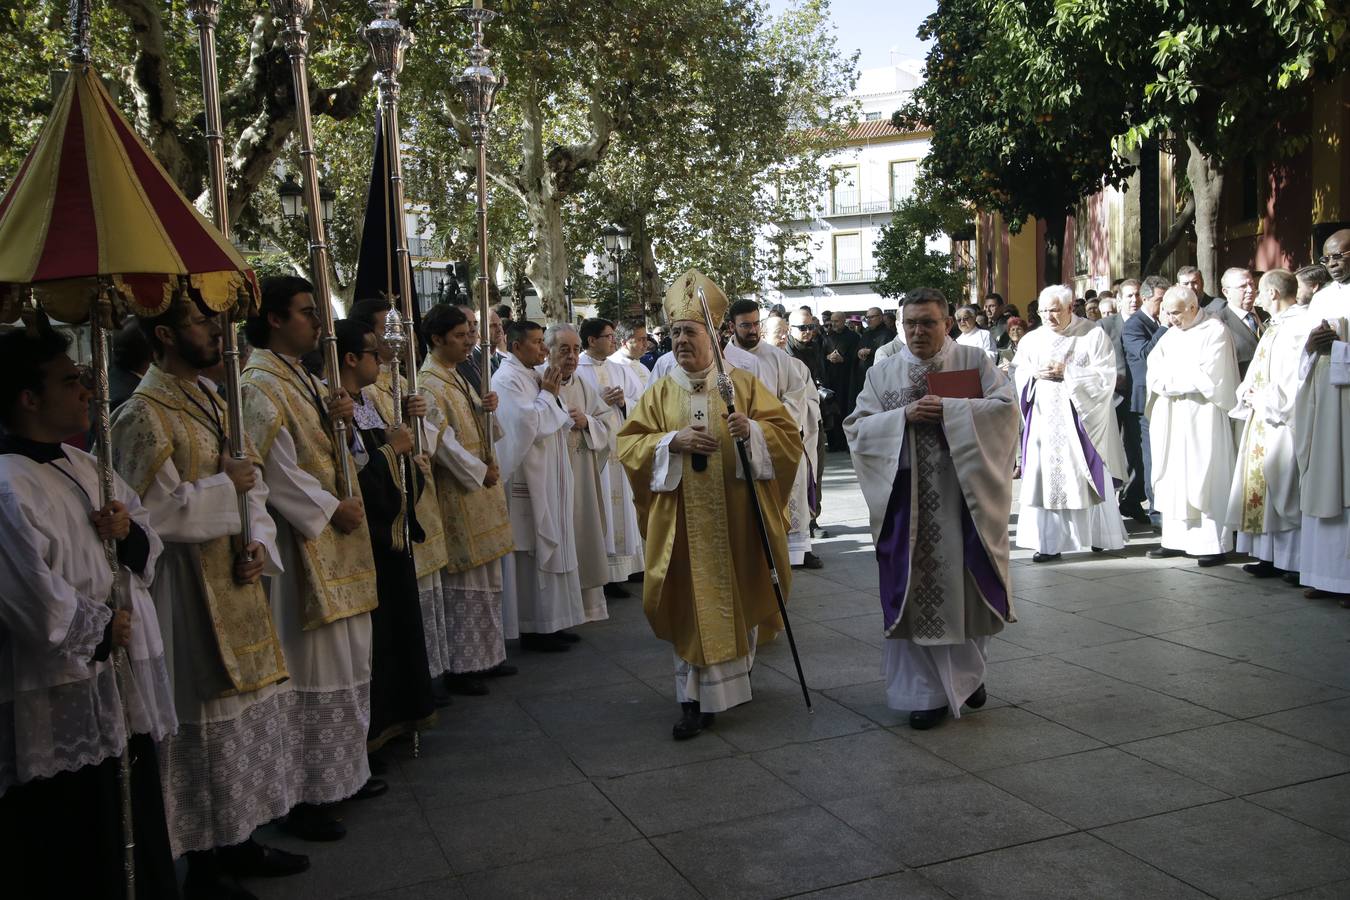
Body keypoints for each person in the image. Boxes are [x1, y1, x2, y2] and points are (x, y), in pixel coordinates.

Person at [111, 297, 307, 893]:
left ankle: (238, 836)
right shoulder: (141, 415)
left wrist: (259, 542)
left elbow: (255, 486)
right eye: (200, 322)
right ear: (166, 335)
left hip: (234, 575)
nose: (216, 330)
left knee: (238, 719)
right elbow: (154, 515)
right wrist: (229, 485)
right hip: (182, 592)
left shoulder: (213, 399)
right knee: (199, 719)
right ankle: (201, 858)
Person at [0, 327, 179, 899]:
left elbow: (148, 532)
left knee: (133, 807)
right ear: (28, 398)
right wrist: (102, 628)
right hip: (64, 681)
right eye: (70, 380)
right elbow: (28, 594)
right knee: (79, 830)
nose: (86, 391)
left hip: (118, 669)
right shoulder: (8, 484)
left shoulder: (85, 463)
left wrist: (126, 533)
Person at [617, 270, 803, 740]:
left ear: (714, 335)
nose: (680, 340)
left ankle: (726, 688)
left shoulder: (740, 385)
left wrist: (754, 433)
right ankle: (691, 698)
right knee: (688, 604)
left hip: (737, 518)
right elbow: (629, 446)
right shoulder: (659, 391)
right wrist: (669, 442)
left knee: (735, 594)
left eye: (690, 331)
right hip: (680, 523)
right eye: (675, 332)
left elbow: (787, 439)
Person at [240, 276, 379, 841]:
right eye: (305, 312)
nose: (318, 324)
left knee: (347, 663)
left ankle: (346, 772)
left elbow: (345, 455)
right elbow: (273, 471)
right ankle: (306, 793)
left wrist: (347, 424)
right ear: (273, 318)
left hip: (338, 536)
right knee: (313, 667)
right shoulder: (256, 383)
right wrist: (327, 509)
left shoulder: (304, 377)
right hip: (304, 548)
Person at [845, 287, 1017, 730]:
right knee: (913, 593)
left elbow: (1005, 411)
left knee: (966, 588)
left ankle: (969, 675)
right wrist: (902, 417)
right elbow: (857, 429)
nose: (918, 331)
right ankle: (924, 694)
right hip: (906, 505)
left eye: (928, 323)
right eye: (910, 323)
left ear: (947, 324)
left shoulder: (975, 363)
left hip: (963, 502)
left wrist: (953, 411)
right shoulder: (881, 374)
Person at [335, 320, 436, 755]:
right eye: (376, 353)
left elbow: (394, 453)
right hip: (370, 538)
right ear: (352, 359)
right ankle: (374, 735)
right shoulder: (339, 405)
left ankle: (398, 721)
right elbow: (355, 472)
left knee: (398, 637)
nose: (384, 360)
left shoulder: (367, 402)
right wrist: (392, 450)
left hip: (391, 537)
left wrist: (407, 458)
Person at [349, 299, 455, 703]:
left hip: (412, 492)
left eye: (402, 328)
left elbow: (413, 439)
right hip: (384, 504)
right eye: (387, 329)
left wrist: (414, 422)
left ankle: (428, 674)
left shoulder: (400, 380)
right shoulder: (365, 390)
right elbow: (377, 447)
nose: (398, 337)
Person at [418, 305, 513, 694]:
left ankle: (488, 656)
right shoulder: (429, 383)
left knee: (487, 577)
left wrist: (486, 408)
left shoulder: (456, 375)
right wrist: (478, 469)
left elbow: (478, 424)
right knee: (466, 580)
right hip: (460, 491)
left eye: (471, 333)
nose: (471, 340)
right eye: (461, 335)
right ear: (437, 339)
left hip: (481, 490)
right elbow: (441, 442)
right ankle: (464, 665)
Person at [1012, 286, 1128, 561]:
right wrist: (1033, 375)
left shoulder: (1092, 334)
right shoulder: (1032, 340)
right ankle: (1050, 543)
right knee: (1047, 479)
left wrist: (1070, 372)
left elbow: (1106, 376)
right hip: (1044, 422)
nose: (1048, 317)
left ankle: (1099, 536)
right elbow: (1019, 371)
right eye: (1043, 311)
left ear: (1068, 309)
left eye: (1054, 310)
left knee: (1084, 475)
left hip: (1082, 422)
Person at [494, 321, 586, 651]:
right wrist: (549, 396)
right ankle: (534, 627)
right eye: (537, 343)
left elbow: (553, 414)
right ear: (516, 346)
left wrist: (551, 396)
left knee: (555, 542)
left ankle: (555, 621)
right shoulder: (507, 379)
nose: (543, 350)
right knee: (532, 551)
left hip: (549, 473)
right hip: (528, 479)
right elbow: (526, 425)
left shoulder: (531, 373)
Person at [1145, 285, 1239, 566]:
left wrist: (1172, 380)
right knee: (1173, 476)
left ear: (1193, 308)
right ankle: (1174, 540)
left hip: (1203, 416)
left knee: (1204, 475)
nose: (1171, 319)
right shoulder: (1171, 335)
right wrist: (1173, 379)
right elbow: (1154, 370)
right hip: (1172, 416)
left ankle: (1211, 543)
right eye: (1167, 313)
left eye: (1175, 313)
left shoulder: (1215, 332)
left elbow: (1210, 378)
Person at [1225, 269, 1310, 580]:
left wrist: (1264, 397)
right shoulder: (1275, 325)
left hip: (1282, 419)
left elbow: (1294, 377)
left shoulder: (1299, 326)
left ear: (1273, 294)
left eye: (1259, 290)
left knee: (1285, 487)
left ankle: (1293, 560)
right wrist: (1247, 390)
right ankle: (1268, 556)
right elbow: (1262, 367)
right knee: (1266, 489)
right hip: (1263, 416)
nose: (1256, 296)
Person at [726, 300, 822, 569]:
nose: (753, 330)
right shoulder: (723, 359)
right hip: (739, 440)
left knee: (791, 494)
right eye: (746, 325)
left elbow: (795, 396)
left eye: (756, 323)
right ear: (732, 326)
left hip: (776, 437)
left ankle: (795, 552)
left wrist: (771, 420)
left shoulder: (778, 357)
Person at [1294, 227, 1350, 600]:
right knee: (1322, 480)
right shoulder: (1322, 298)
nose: (1331, 264)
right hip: (1323, 399)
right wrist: (1312, 346)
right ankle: (1322, 575)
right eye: (1327, 257)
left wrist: (1344, 342)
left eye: (1339, 256)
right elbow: (1304, 352)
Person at [546, 324, 613, 623]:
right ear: (548, 351)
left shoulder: (584, 384)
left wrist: (586, 422)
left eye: (574, 350)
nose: (572, 357)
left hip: (582, 471)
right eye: (564, 350)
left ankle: (586, 608)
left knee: (583, 534)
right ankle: (557, 614)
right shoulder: (540, 381)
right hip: (550, 475)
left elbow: (607, 422)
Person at [576, 318, 646, 595]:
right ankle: (603, 572)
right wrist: (599, 403)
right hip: (595, 450)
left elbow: (643, 403)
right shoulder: (577, 369)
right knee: (601, 503)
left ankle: (624, 570)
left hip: (622, 447)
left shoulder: (620, 369)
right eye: (608, 336)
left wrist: (623, 402)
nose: (614, 341)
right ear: (592, 340)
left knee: (623, 506)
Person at [1120, 275, 1171, 525]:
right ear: (1146, 297)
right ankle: (1156, 510)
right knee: (1149, 458)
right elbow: (1142, 356)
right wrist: (1163, 328)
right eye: (1161, 300)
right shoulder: (1134, 325)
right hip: (1142, 402)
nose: (1165, 305)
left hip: (1166, 396)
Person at [1206, 267, 1263, 375]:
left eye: (1251, 284)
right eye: (1243, 287)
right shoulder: (1217, 323)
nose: (1250, 290)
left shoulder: (1267, 314)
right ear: (1226, 292)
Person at [822, 310, 860, 448]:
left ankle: (845, 442)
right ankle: (833, 443)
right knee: (831, 410)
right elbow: (821, 355)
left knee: (845, 409)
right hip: (830, 378)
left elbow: (857, 358)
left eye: (836, 321)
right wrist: (828, 357)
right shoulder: (827, 337)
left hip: (846, 379)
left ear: (844, 321)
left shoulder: (853, 337)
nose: (833, 324)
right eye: (832, 321)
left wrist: (843, 359)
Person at [856, 306, 896, 383]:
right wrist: (859, 352)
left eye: (871, 317)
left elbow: (890, 354)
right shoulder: (866, 334)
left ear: (881, 318)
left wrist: (870, 351)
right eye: (867, 318)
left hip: (879, 376)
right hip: (863, 375)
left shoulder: (887, 334)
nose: (868, 320)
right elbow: (858, 349)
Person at [611, 319, 651, 392]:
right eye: (641, 340)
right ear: (624, 343)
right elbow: (618, 401)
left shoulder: (643, 367)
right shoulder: (612, 366)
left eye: (646, 339)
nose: (646, 344)